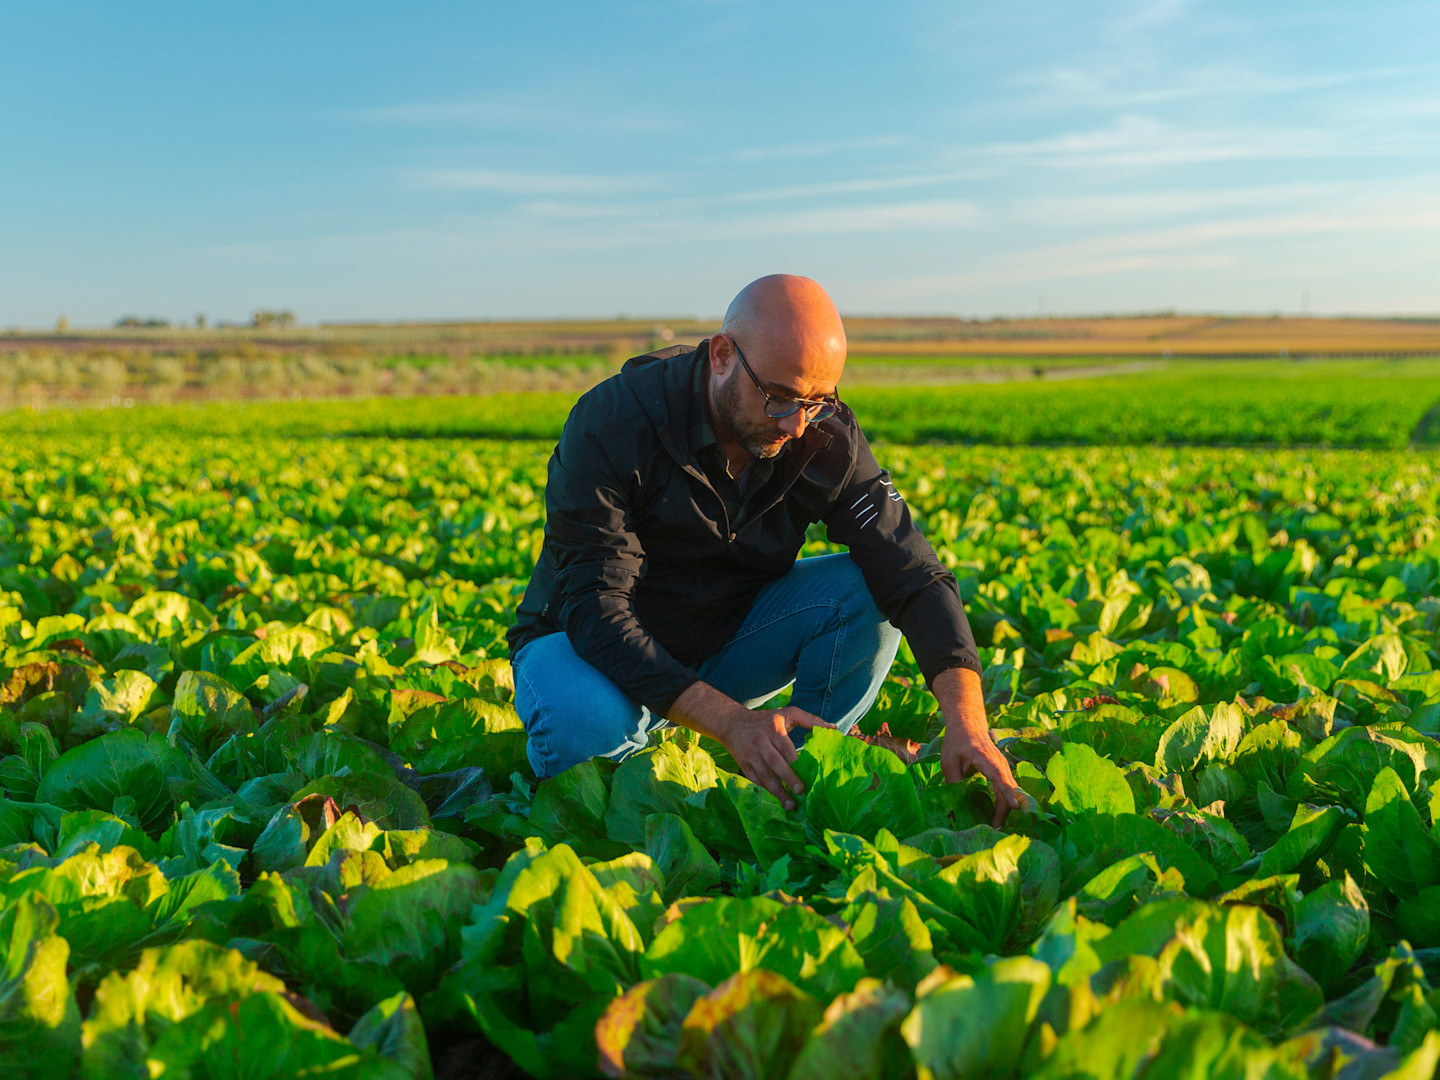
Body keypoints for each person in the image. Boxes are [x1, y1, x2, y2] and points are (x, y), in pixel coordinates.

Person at [507, 274, 1024, 825]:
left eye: (819, 401)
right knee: (582, 731)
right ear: (723, 356)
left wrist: (968, 720)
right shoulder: (614, 423)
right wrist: (731, 722)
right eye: (780, 398)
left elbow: (912, 572)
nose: (798, 425)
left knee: (867, 591)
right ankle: (701, 751)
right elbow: (597, 611)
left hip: (723, 642)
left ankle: (797, 774)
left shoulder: (822, 432)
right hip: (586, 653)